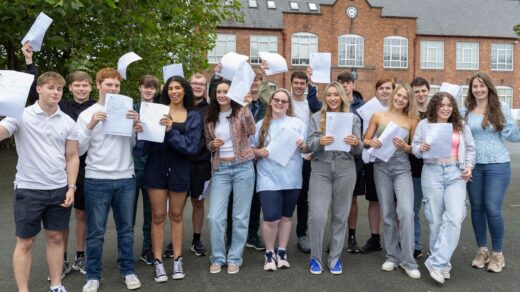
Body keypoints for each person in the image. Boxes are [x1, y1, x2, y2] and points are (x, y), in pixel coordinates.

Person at [0, 71, 79, 292]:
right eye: (51, 87)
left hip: (59, 189)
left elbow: (72, 156)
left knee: (55, 238)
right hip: (29, 189)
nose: (56, 92)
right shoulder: (20, 115)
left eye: (59, 89)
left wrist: (71, 187)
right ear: (39, 89)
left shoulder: (67, 121)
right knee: (25, 242)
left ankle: (56, 285)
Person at [21, 42, 95, 276]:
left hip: (87, 169)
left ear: (91, 88)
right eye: (77, 85)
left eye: (85, 85)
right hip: (58, 171)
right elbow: (38, 87)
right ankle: (61, 259)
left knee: (82, 214)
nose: (81, 89)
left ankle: (80, 256)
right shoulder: (60, 105)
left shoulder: (98, 108)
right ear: (71, 88)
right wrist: (29, 63)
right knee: (59, 222)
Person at [77, 68, 142, 292]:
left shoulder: (128, 110)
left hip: (125, 177)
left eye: (116, 85)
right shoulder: (88, 114)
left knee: (126, 229)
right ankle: (93, 275)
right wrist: (91, 124)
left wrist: (135, 128)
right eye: (109, 84)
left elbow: (133, 146)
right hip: (97, 179)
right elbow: (78, 150)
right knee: (95, 232)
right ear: (98, 85)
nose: (113, 89)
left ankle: (128, 271)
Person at [140, 76, 202, 282]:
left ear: (185, 91)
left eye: (178, 88)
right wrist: (140, 132)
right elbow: (143, 148)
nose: (174, 91)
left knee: (176, 215)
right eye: (171, 88)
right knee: (158, 216)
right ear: (166, 91)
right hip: (155, 168)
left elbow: (191, 147)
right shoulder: (155, 111)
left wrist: (170, 130)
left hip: (180, 169)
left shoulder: (193, 116)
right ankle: (157, 262)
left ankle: (177, 259)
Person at [412, 92, 475, 284]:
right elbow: (414, 148)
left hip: (456, 173)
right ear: (435, 107)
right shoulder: (424, 125)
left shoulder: (461, 126)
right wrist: (420, 148)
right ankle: (443, 264)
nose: (446, 108)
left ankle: (436, 262)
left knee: (455, 217)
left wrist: (469, 167)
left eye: (449, 105)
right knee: (436, 220)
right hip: (432, 172)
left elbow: (471, 149)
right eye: (442, 105)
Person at [463, 72, 520, 273]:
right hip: (473, 165)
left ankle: (497, 254)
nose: (478, 89)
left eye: (481, 86)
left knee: (492, 208)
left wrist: (505, 126)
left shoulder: (501, 107)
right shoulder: (466, 109)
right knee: (477, 207)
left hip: (498, 164)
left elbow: (514, 137)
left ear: (489, 87)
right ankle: (482, 251)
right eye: (474, 86)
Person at [363, 84, 421, 279]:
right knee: (387, 212)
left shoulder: (413, 120)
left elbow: (415, 148)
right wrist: (371, 142)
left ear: (408, 101)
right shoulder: (378, 116)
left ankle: (408, 261)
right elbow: (365, 140)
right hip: (380, 165)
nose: (400, 99)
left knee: (405, 212)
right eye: (398, 95)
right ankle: (392, 256)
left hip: (402, 166)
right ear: (393, 96)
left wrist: (406, 146)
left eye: (405, 97)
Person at [307, 82, 363, 275]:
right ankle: (315, 258)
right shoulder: (315, 118)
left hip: (345, 168)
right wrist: (319, 142)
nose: (332, 98)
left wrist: (356, 143)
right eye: (329, 95)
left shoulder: (353, 119)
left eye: (335, 95)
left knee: (340, 215)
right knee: (318, 215)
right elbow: (308, 145)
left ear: (342, 97)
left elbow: (359, 149)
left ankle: (335, 258)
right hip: (321, 168)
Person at [251, 88, 307, 271]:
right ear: (271, 102)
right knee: (270, 218)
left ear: (288, 105)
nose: (280, 103)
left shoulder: (297, 124)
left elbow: (308, 152)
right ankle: (269, 253)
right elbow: (249, 148)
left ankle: (281, 251)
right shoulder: (260, 125)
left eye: (284, 101)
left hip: (292, 177)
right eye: (277, 100)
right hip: (268, 177)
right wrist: (257, 152)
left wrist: (303, 146)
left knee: (285, 217)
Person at [205, 79, 256, 274]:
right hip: (220, 168)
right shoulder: (210, 115)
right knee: (215, 217)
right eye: (219, 91)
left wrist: (246, 107)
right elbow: (208, 143)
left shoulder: (240, 110)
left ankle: (235, 257)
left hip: (243, 167)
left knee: (240, 216)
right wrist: (213, 145)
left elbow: (251, 131)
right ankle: (218, 257)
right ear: (214, 94)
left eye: (226, 91)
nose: (222, 94)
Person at [360, 78, 395, 254]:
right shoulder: (369, 110)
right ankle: (375, 238)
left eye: (388, 88)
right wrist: (369, 142)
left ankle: (395, 239)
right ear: (376, 91)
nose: (385, 91)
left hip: (395, 161)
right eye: (381, 88)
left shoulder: (400, 109)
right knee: (374, 201)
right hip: (374, 159)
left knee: (394, 202)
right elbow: (365, 137)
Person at [132, 75, 160, 265]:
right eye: (145, 87)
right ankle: (125, 251)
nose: (149, 90)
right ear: (140, 88)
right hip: (132, 164)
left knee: (151, 212)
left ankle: (148, 249)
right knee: (128, 211)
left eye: (152, 88)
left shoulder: (161, 110)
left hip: (153, 164)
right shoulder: (131, 109)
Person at [337, 71, 365, 253]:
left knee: (352, 199)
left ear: (353, 85)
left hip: (354, 158)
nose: (345, 85)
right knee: (336, 201)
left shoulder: (362, 107)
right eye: (341, 82)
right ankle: (335, 237)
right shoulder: (333, 104)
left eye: (348, 82)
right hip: (334, 157)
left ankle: (352, 237)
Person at [409, 77, 430, 259]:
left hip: (434, 167)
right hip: (415, 168)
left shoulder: (437, 111)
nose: (420, 94)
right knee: (414, 209)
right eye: (417, 92)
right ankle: (415, 245)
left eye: (423, 91)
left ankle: (435, 246)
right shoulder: (410, 114)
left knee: (434, 211)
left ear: (428, 91)